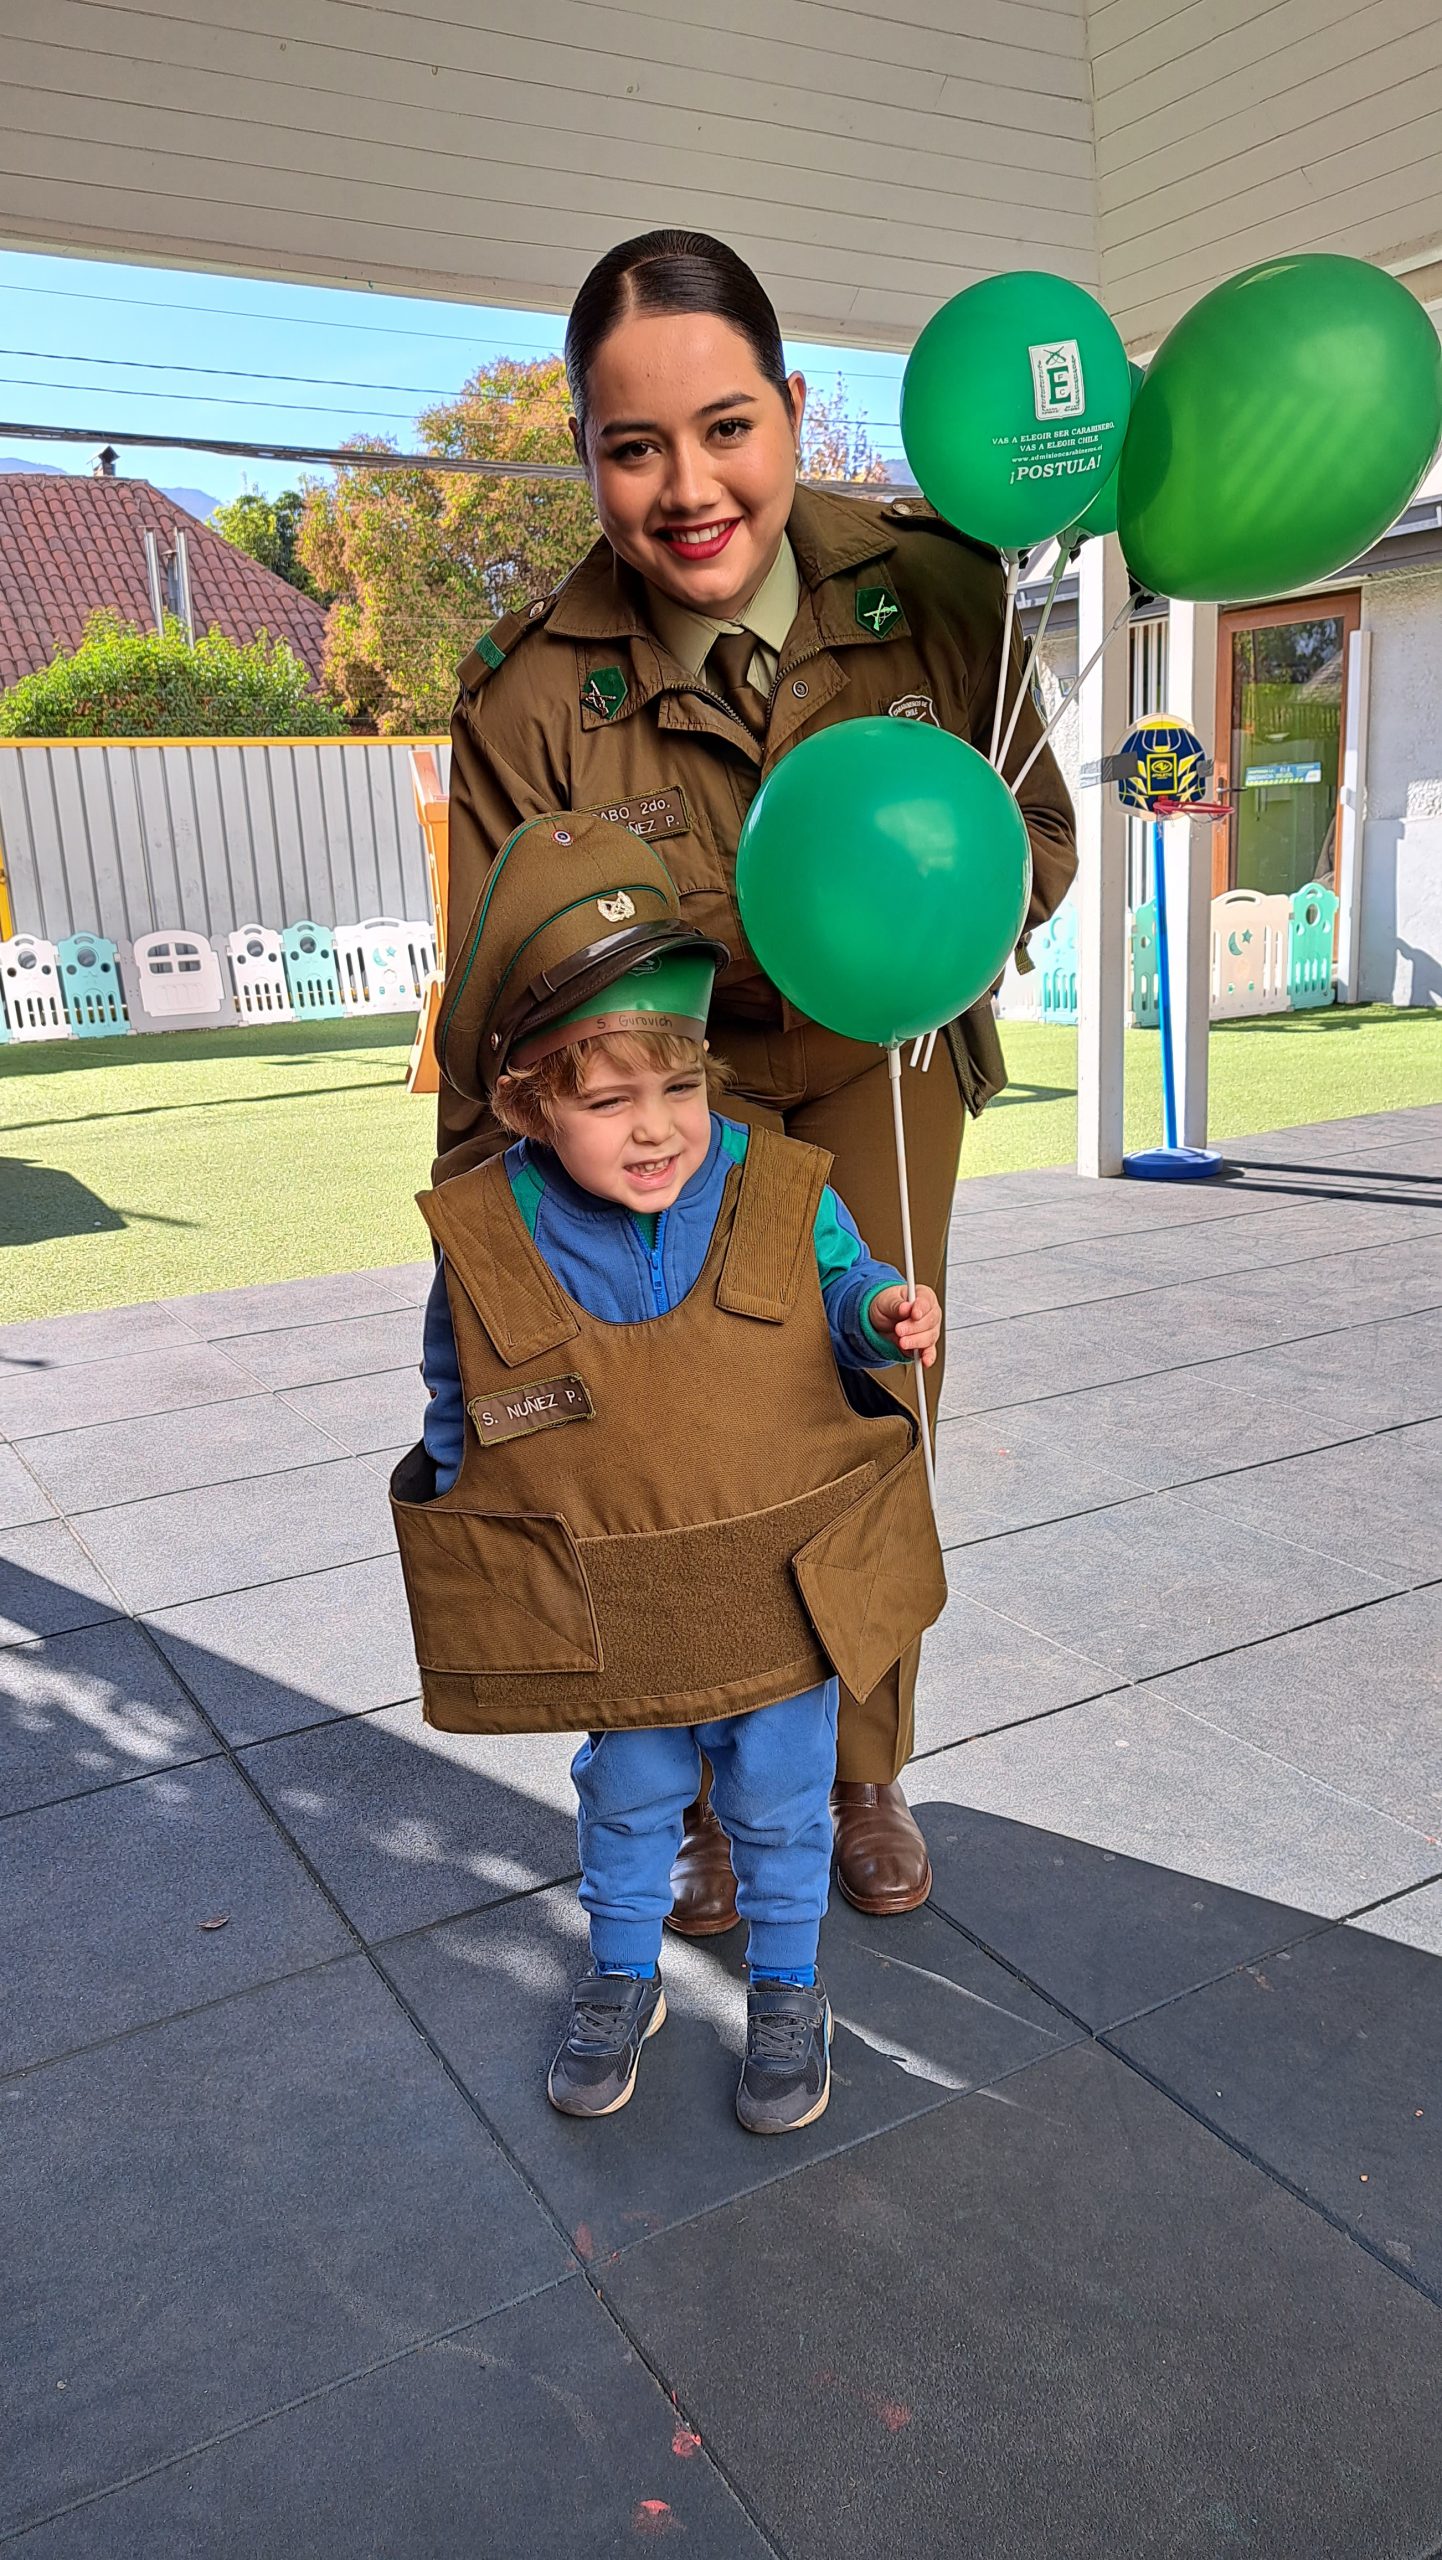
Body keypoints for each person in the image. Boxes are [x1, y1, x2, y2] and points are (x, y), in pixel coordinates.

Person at [433, 226, 1077, 1931]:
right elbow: (488, 997)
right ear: (583, 454)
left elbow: (1043, 833)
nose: (687, 486)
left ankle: (860, 1773)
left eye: (726, 427)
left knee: (872, 1409)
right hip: (649, 1116)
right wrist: (478, 1260)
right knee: (663, 1445)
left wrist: (933, 906)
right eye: (630, 445)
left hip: (884, 1072)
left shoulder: (940, 593)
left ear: (792, 408)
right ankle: (698, 1792)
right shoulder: (523, 697)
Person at [393, 812, 945, 2133]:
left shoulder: (775, 1182)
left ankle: (786, 1985)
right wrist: (492, 1531)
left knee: (777, 1802)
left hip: (779, 1591)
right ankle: (622, 1969)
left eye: (679, 1089)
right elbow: (457, 1389)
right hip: (615, 1608)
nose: (656, 1130)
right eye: (606, 1100)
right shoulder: (490, 1231)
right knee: (629, 1796)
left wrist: (880, 1312)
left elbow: (838, 1283)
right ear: (526, 1102)